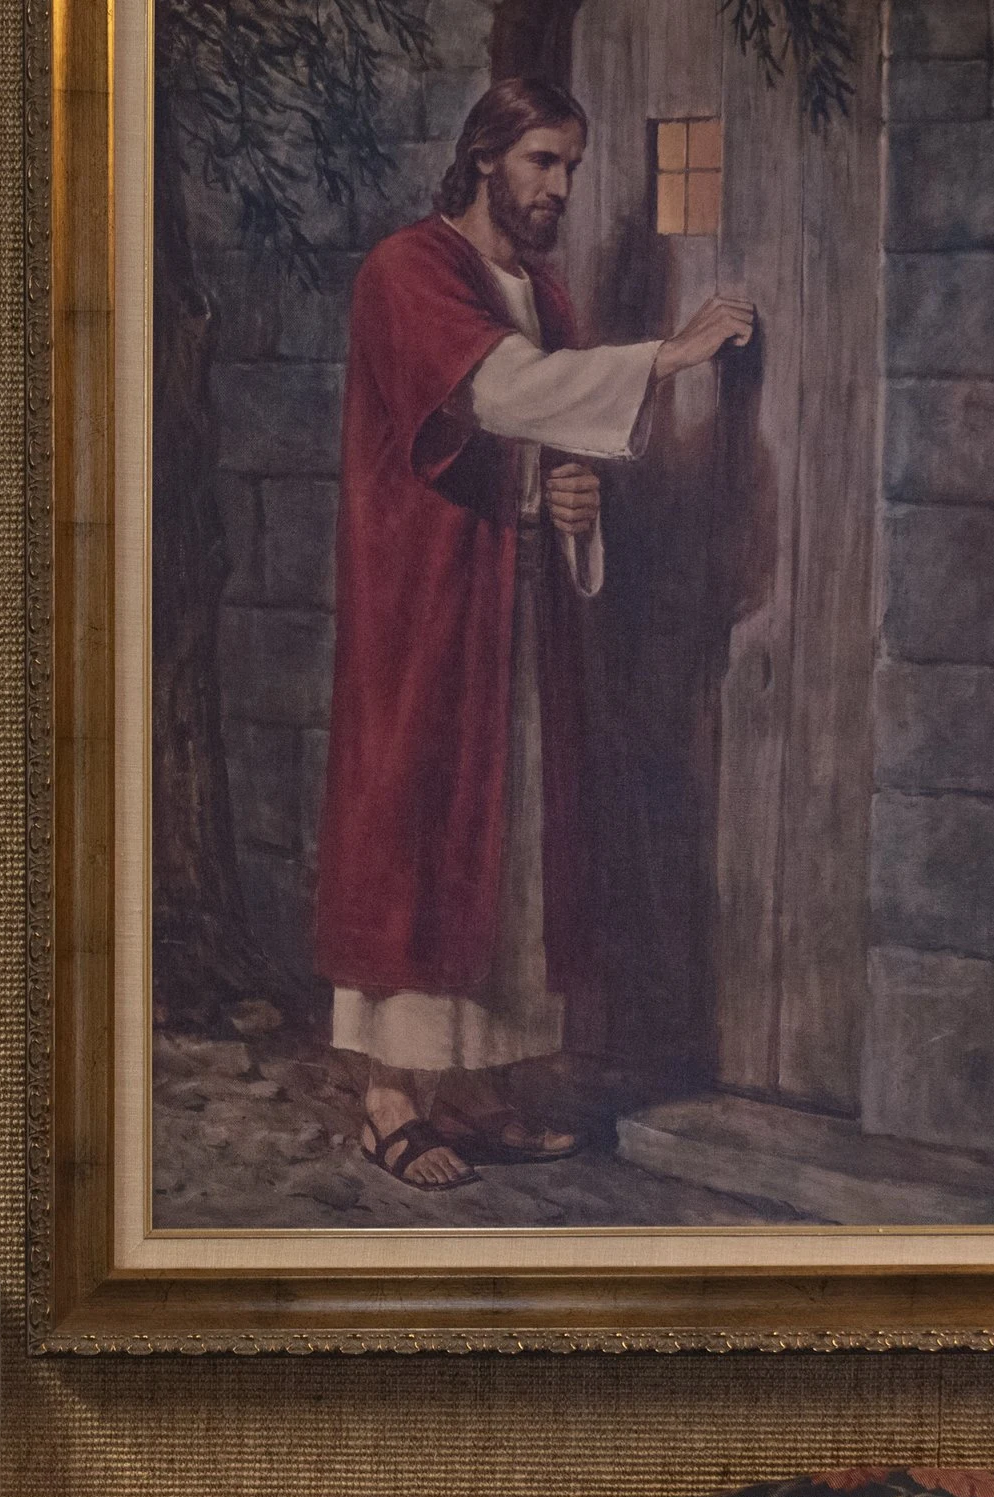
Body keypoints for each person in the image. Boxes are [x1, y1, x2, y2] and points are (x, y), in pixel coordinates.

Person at [312, 77, 755, 1189]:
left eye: (571, 165)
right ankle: (387, 1097)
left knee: (506, 835)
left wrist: (570, 505)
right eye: (541, 161)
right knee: (416, 822)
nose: (560, 186)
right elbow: (501, 395)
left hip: (511, 605)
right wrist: (667, 356)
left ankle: (472, 1088)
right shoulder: (407, 269)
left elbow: (556, 441)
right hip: (425, 600)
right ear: (483, 159)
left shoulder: (544, 295)